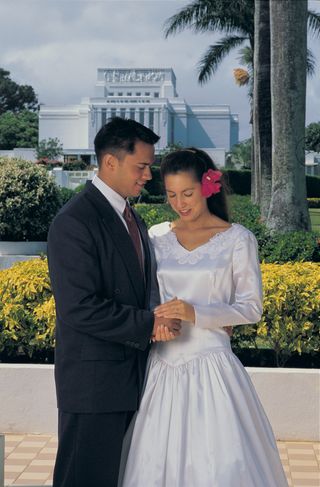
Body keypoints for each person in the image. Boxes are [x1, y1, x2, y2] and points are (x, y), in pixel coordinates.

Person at [121, 148, 288, 486]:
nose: (180, 203)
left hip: (213, 368)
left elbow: (251, 307)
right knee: (153, 461)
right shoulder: (155, 237)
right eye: (171, 195)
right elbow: (145, 296)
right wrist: (156, 322)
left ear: (208, 188)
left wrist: (195, 312)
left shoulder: (238, 239)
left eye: (187, 193)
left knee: (220, 462)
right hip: (161, 368)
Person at [47, 117, 181, 487]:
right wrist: (149, 323)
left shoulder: (130, 216)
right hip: (94, 386)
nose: (148, 176)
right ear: (110, 162)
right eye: (141, 166)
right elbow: (79, 307)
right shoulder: (74, 220)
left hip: (133, 381)